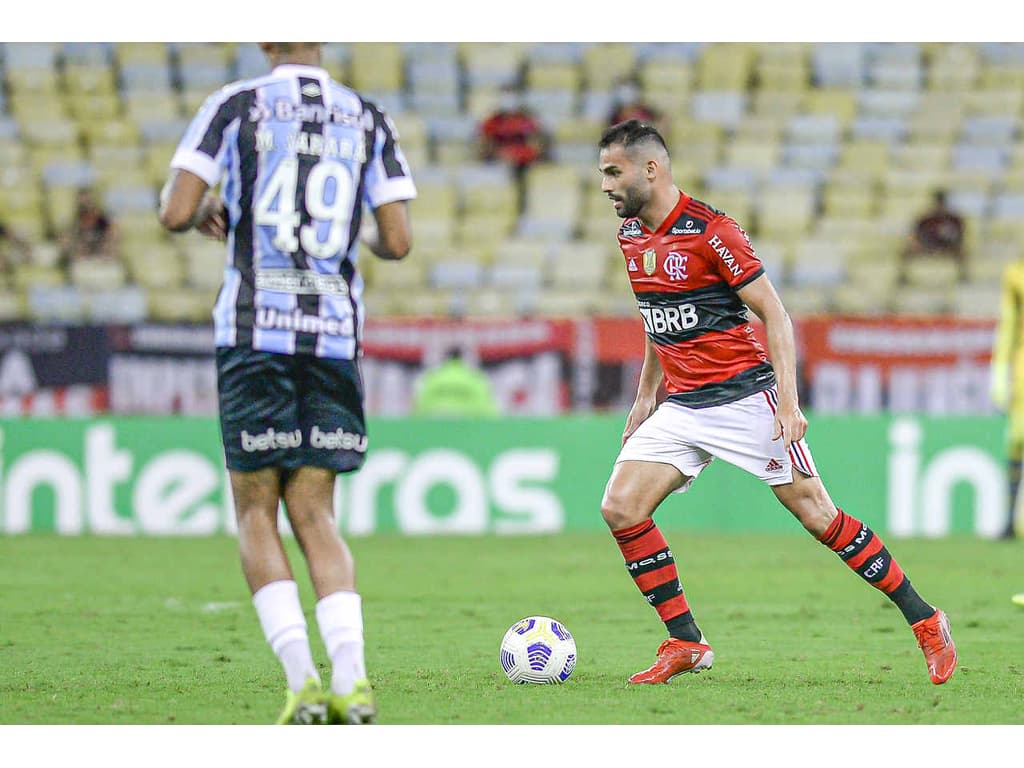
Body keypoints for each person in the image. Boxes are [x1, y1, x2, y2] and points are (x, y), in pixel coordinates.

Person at [596, 120, 957, 686]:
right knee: (621, 508)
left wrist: (787, 403)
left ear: (651, 169)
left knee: (819, 516)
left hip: (744, 397)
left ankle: (926, 618)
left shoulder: (712, 231)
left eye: (613, 173)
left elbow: (776, 315)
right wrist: (646, 394)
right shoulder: (631, 237)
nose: (605, 186)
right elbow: (655, 316)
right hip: (684, 406)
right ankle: (686, 642)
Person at [158, 42, 415, 725]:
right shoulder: (367, 115)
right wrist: (339, 236)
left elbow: (176, 211)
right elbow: (398, 239)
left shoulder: (235, 105)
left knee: (254, 512)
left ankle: (302, 680)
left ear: (266, 40)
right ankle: (353, 681)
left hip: (254, 335)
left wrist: (217, 212)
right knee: (316, 515)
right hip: (331, 336)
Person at [989, 256, 1024, 540]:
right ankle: (1010, 520)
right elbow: (1008, 325)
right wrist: (1000, 372)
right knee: (1016, 440)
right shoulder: (1015, 274)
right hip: (1022, 368)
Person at [477, 83, 551, 213]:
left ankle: (524, 205)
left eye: (512, 96)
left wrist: (527, 155)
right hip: (500, 161)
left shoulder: (527, 119)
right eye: (506, 96)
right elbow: (484, 145)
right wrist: (499, 155)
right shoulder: (493, 120)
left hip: (525, 162)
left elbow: (538, 144)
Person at [413, 346, 499, 417]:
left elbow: (417, 411)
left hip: (435, 428)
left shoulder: (430, 378)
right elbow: (489, 412)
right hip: (471, 429)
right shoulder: (477, 378)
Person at [900, 189, 966, 282]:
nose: (939, 207)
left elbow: (960, 237)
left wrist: (948, 247)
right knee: (906, 251)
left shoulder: (954, 219)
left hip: (947, 247)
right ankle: (903, 278)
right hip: (928, 246)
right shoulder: (926, 219)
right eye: (938, 204)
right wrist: (921, 245)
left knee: (962, 252)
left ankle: (963, 277)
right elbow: (915, 235)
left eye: (941, 204)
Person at [60, 187, 119, 264]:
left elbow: (111, 232)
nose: (85, 203)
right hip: (84, 247)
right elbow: (70, 235)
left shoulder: (102, 216)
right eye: (82, 200)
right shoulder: (74, 216)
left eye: (87, 200)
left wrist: (107, 244)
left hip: (99, 245)